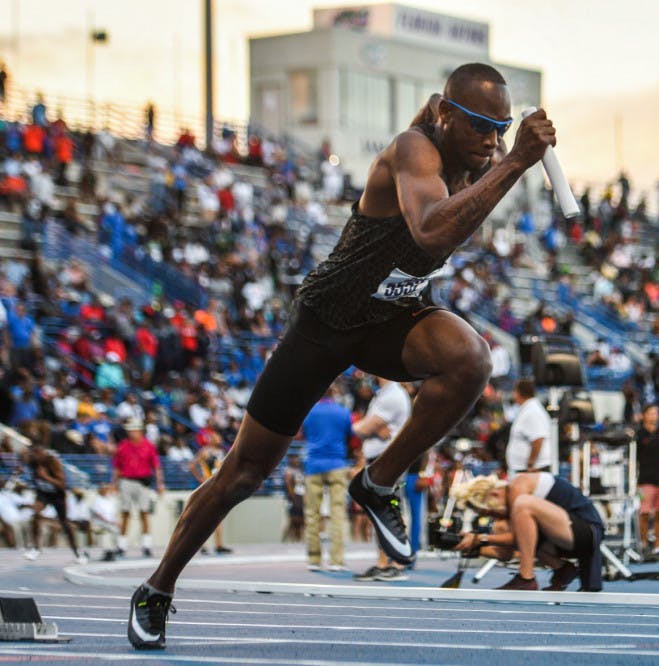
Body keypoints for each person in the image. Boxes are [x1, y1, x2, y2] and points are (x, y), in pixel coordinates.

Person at [127, 61, 556, 649]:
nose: (494, 141)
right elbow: (431, 232)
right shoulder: (414, 149)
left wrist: (506, 162)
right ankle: (157, 587)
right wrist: (516, 162)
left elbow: (456, 219)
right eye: (483, 126)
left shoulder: (475, 166)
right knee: (244, 473)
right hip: (327, 323)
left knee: (473, 360)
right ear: (447, 115)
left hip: (390, 320)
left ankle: (379, 483)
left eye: (503, 129)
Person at [451, 473, 604, 592]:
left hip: (587, 531)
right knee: (502, 528)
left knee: (523, 504)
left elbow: (517, 537)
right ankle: (563, 569)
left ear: (494, 495)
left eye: (488, 512)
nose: (492, 517)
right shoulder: (514, 513)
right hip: (565, 539)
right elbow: (505, 554)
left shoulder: (519, 484)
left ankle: (526, 577)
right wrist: (474, 548)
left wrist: (481, 538)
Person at [351, 376, 412, 582]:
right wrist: (370, 426)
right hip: (382, 459)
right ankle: (385, 562)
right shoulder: (385, 394)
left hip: (387, 461)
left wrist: (367, 426)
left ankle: (396, 563)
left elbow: (360, 429)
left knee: (390, 509)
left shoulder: (392, 395)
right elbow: (364, 427)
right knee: (383, 510)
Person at [300, 386, 352, 571]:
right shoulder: (343, 412)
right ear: (334, 392)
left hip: (313, 465)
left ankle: (314, 560)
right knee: (337, 513)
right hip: (337, 464)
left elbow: (303, 434)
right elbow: (349, 435)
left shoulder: (309, 412)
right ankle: (336, 560)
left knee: (312, 514)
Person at [21, 444, 88, 564]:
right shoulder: (32, 461)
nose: (35, 457)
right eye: (33, 454)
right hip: (43, 493)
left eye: (37, 454)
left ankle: (77, 552)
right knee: (35, 513)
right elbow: (22, 457)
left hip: (57, 494)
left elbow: (62, 484)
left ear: (43, 453)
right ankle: (35, 548)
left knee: (65, 524)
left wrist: (46, 477)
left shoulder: (53, 462)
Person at [112, 418, 165, 558]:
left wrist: (160, 484)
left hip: (142, 482)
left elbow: (156, 466)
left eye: (133, 430)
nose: (131, 432)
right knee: (125, 513)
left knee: (144, 513)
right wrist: (114, 483)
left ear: (140, 430)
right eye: (129, 430)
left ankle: (146, 545)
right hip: (126, 481)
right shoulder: (123, 446)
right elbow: (117, 467)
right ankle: (121, 545)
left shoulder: (149, 446)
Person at [633, 404, 659, 556]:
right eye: (650, 413)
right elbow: (633, 459)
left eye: (656, 413)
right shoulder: (638, 435)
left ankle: (658, 543)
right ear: (644, 415)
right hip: (644, 480)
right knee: (644, 513)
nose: (654, 416)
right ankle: (643, 543)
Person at [187, 431, 233, 556]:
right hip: (207, 486)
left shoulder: (222, 452)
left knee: (218, 517)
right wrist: (200, 479)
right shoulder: (205, 451)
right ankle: (202, 545)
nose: (218, 439)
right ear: (210, 439)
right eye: (215, 437)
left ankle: (219, 544)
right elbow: (192, 465)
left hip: (218, 486)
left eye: (218, 436)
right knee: (203, 517)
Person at [505, 378, 553, 475]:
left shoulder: (533, 411)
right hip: (525, 470)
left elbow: (538, 439)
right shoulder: (528, 409)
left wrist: (531, 463)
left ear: (518, 393)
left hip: (532, 470)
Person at [281, 454, 305, 543]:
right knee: (292, 520)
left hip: (300, 498)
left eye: (297, 458)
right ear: (289, 460)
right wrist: (294, 498)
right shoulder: (288, 471)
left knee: (300, 521)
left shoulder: (300, 470)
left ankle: (298, 540)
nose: (296, 460)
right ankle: (288, 540)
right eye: (294, 458)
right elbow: (289, 485)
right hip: (293, 499)